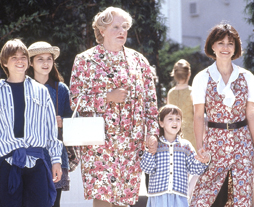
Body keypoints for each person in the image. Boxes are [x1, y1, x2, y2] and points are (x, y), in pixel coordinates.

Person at [68, 6, 159, 207]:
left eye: (125, 27)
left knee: (124, 200)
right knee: (102, 197)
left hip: (131, 144)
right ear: (102, 30)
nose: (122, 31)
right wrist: (107, 97)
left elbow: (151, 104)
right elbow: (75, 100)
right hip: (98, 143)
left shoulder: (139, 61)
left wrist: (152, 133)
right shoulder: (85, 60)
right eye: (116, 26)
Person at [190, 23, 254, 207]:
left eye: (230, 43)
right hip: (214, 144)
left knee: (243, 197)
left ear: (236, 48)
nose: (225, 48)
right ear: (212, 46)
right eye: (221, 43)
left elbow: (250, 115)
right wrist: (200, 147)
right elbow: (199, 116)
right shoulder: (202, 77)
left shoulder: (247, 77)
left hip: (243, 143)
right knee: (203, 197)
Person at [0, 39, 62, 207]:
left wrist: (56, 160)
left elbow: (50, 129)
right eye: (14, 57)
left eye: (23, 57)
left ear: (28, 62)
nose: (19, 61)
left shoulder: (40, 91)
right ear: (4, 62)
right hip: (6, 163)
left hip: (36, 162)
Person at [27, 41, 73, 207]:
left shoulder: (61, 89)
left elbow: (72, 120)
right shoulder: (23, 88)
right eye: (40, 59)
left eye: (49, 59)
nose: (45, 63)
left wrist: (62, 123)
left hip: (56, 156)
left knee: (54, 202)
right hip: (29, 155)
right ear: (30, 62)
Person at [140, 104, 210, 207]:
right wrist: (149, 151)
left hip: (179, 198)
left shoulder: (186, 146)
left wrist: (204, 161)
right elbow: (147, 168)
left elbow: (195, 169)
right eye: (170, 119)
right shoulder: (156, 145)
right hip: (158, 197)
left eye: (178, 119)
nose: (175, 122)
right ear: (161, 123)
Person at [167, 59, 196, 151]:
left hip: (173, 133)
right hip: (191, 133)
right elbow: (197, 116)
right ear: (189, 74)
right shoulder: (193, 92)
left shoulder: (170, 93)